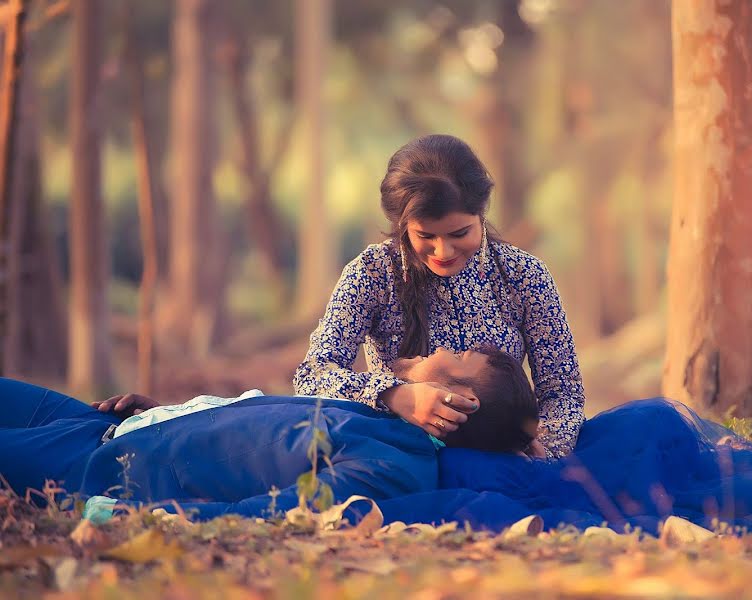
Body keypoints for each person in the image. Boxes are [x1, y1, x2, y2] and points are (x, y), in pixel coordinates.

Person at [292, 134, 585, 459]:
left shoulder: (523, 275)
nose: (443, 251)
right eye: (425, 235)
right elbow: (313, 375)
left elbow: (562, 391)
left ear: (481, 212)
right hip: (403, 458)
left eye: (460, 233)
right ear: (402, 225)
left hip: (504, 465)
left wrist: (546, 456)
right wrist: (394, 396)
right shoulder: (372, 274)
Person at [0, 347, 539, 510]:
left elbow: (273, 512)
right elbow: (251, 428)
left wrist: (132, 514)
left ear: (459, 401)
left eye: (461, 356)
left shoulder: (396, 470)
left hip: (98, 469)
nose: (442, 348)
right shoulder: (376, 407)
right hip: (105, 420)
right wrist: (172, 410)